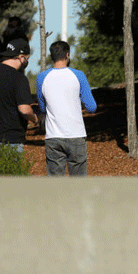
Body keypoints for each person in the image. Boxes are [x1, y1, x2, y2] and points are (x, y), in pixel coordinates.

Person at [36, 41, 97, 176]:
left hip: (53, 136)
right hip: (76, 134)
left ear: (52, 57)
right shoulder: (79, 75)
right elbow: (92, 107)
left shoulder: (42, 77)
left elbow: (42, 107)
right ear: (67, 55)